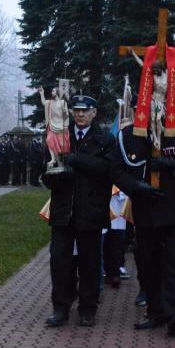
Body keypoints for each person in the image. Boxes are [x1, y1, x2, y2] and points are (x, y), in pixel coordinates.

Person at [112, 48, 175, 338]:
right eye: (150, 97)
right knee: (147, 264)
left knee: (174, 263)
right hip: (146, 211)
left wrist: (171, 164)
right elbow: (117, 170)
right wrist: (135, 187)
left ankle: (174, 314)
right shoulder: (130, 135)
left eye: (161, 97)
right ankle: (155, 311)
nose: (156, 103)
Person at [41, 94, 114, 327]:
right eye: (76, 110)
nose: (80, 114)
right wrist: (53, 174)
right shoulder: (60, 135)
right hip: (63, 210)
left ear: (94, 113)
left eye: (85, 110)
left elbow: (106, 169)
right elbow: (46, 171)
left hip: (91, 210)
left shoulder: (104, 139)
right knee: (59, 261)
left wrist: (75, 160)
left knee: (89, 263)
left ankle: (87, 309)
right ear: (71, 112)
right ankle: (60, 308)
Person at [38, 82, 71, 169]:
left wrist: (65, 112)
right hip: (52, 125)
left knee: (59, 146)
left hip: (60, 126)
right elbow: (43, 102)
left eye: (53, 91)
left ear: (57, 92)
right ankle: (53, 159)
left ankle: (60, 163)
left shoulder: (63, 102)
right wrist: (42, 93)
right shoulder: (50, 102)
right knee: (49, 140)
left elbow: (66, 115)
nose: (51, 93)